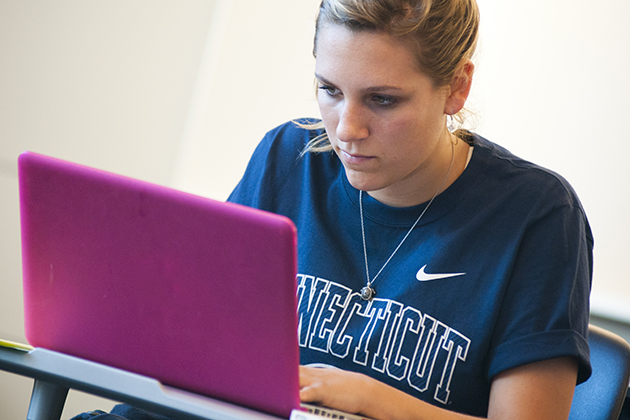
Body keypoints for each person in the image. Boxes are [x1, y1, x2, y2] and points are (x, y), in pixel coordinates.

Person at [75, 0, 592, 419]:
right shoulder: (287, 157)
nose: (346, 129)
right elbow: (193, 356)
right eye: (330, 90)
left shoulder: (538, 216)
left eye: (383, 100)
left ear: (456, 87)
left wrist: (369, 400)